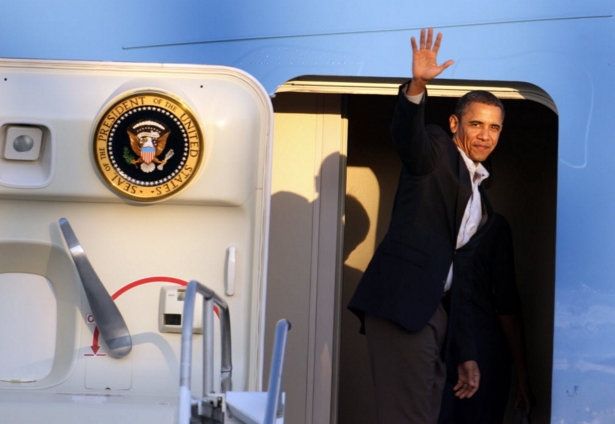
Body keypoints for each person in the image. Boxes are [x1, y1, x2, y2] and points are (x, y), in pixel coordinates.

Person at [348, 28, 505, 423]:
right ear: (455, 124)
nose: (485, 135)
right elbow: (409, 136)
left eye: (494, 127)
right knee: (409, 416)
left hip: (437, 313)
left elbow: (465, 281)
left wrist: (466, 351)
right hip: (404, 303)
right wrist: (416, 87)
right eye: (476, 125)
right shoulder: (436, 150)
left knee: (426, 412)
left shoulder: (481, 201)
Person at [438, 213, 534, 423]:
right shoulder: (493, 225)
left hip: (439, 343)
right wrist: (523, 376)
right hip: (483, 349)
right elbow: (506, 303)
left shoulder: (436, 222)